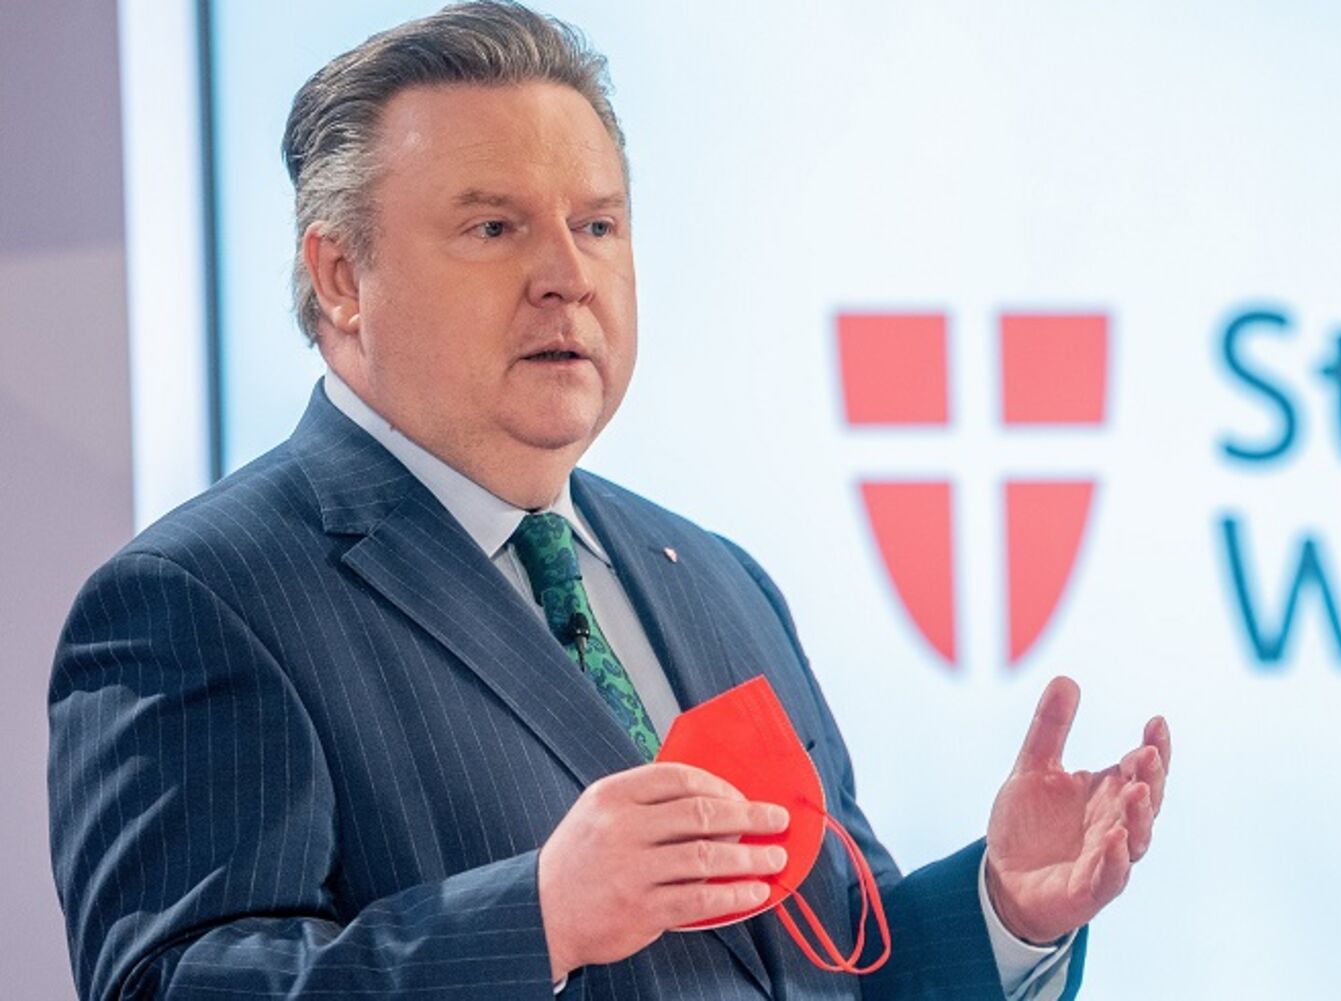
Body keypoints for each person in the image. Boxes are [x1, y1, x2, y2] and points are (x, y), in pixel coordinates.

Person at [47, 3, 1170, 998]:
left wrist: (1002, 911)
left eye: (596, 223)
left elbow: (834, 963)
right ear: (342, 276)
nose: (567, 274)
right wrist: (534, 919)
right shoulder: (199, 597)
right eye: (494, 228)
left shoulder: (714, 574)